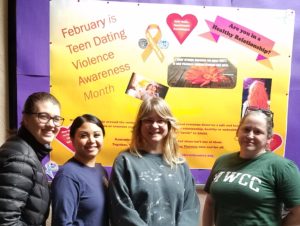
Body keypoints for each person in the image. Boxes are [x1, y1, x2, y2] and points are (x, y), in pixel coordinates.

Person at [108, 97, 200, 226]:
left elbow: (190, 209)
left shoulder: (180, 164)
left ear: (168, 124)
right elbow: (121, 209)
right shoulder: (125, 162)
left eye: (161, 120)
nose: (154, 126)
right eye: (148, 120)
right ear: (140, 124)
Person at [202, 107, 300, 226]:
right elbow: (210, 203)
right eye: (246, 129)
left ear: (269, 138)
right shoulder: (222, 161)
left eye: (258, 132)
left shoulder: (282, 167)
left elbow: (297, 212)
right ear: (238, 131)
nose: (250, 135)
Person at [0, 91, 63, 225]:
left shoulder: (26, 150)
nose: (51, 125)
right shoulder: (21, 159)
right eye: (44, 116)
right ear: (26, 119)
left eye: (56, 119)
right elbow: (6, 222)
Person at [51, 114, 109, 226]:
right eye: (83, 136)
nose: (91, 140)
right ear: (72, 139)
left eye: (97, 135)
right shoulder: (67, 175)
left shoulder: (101, 171)